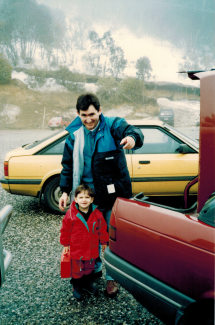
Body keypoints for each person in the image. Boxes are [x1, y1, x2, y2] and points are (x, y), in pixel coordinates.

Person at [59, 93, 144, 297]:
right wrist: (64, 191)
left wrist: (132, 138)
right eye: (83, 115)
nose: (88, 119)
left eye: (91, 114)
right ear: (77, 114)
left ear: (100, 110)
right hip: (87, 199)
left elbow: (134, 132)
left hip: (114, 196)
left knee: (113, 238)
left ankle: (112, 278)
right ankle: (91, 276)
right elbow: (67, 166)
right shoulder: (74, 135)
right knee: (90, 239)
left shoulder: (114, 126)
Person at [60, 184, 109, 300]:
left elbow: (102, 229)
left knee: (89, 268)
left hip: (91, 248)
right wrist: (66, 244)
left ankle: (87, 283)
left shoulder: (97, 214)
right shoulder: (71, 214)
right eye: (81, 197)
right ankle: (76, 285)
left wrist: (104, 242)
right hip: (77, 248)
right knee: (77, 269)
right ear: (75, 199)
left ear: (92, 199)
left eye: (87, 197)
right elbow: (65, 230)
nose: (84, 200)